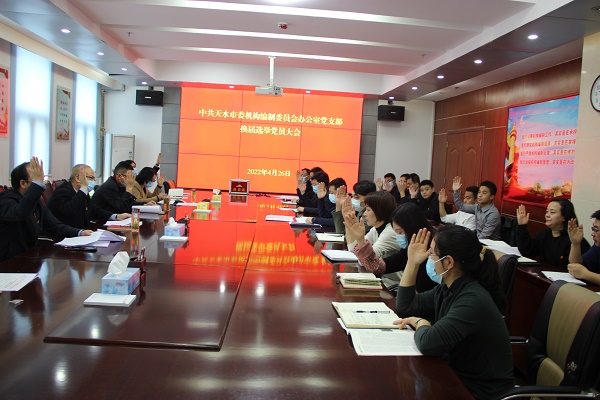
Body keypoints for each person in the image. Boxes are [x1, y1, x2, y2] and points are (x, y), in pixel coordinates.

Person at [395, 225, 513, 400]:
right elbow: (405, 306)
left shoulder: (472, 299)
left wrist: (421, 323)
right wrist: (412, 263)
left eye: (432, 254)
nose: (429, 258)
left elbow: (428, 343)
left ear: (449, 262)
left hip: (479, 392)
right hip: (455, 376)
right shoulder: (448, 288)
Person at [0, 157, 93, 262]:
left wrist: (80, 232)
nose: (42, 183)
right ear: (23, 183)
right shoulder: (6, 199)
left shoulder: (36, 202)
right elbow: (20, 213)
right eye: (37, 179)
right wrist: (36, 185)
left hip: (30, 257)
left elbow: (55, 225)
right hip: (9, 261)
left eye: (41, 178)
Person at [349, 203, 437, 293]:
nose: (398, 236)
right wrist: (361, 240)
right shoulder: (407, 250)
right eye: (396, 232)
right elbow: (378, 267)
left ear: (413, 228)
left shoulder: (434, 250)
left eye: (400, 232)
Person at [47, 164, 129, 228]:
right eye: (91, 178)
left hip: (81, 232)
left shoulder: (82, 192)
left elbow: (94, 210)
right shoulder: (62, 192)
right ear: (78, 178)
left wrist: (115, 216)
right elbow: (70, 212)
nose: (93, 181)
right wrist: (83, 189)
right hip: (63, 236)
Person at [516, 200, 590, 268]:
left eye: (552, 212)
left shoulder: (574, 240)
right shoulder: (544, 234)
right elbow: (527, 251)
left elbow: (575, 267)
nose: (547, 215)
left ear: (564, 217)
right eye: (547, 211)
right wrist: (522, 226)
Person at [344, 191, 400, 259]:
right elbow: (354, 251)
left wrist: (360, 238)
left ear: (379, 211)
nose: (364, 214)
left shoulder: (389, 232)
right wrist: (347, 220)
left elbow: (367, 259)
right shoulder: (375, 229)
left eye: (368, 210)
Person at [567, 210, 600, 284]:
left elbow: (582, 272)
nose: (592, 234)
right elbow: (576, 266)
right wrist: (575, 244)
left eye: (596, 230)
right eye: (593, 229)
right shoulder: (597, 248)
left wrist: (586, 275)